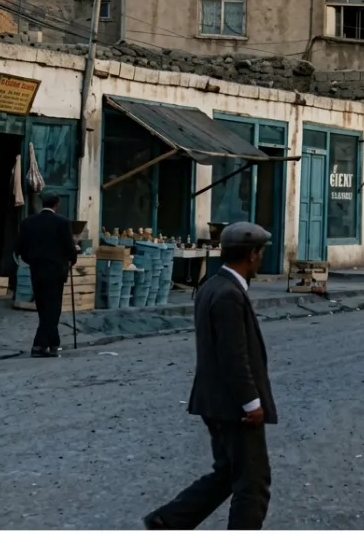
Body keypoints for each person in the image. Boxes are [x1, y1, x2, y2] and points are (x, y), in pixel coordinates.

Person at [145, 222, 278, 530]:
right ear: (252, 255)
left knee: (228, 472)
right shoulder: (229, 294)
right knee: (253, 483)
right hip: (234, 407)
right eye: (260, 253)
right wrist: (251, 403)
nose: (260, 259)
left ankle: (168, 521)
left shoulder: (211, 286)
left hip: (213, 401)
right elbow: (233, 356)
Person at [15, 191, 78, 358]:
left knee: (43, 308)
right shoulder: (62, 222)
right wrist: (72, 259)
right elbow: (70, 249)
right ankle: (41, 345)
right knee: (52, 309)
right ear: (56, 205)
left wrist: (32, 261)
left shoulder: (27, 222)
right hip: (56, 272)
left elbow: (19, 249)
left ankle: (50, 345)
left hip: (36, 271)